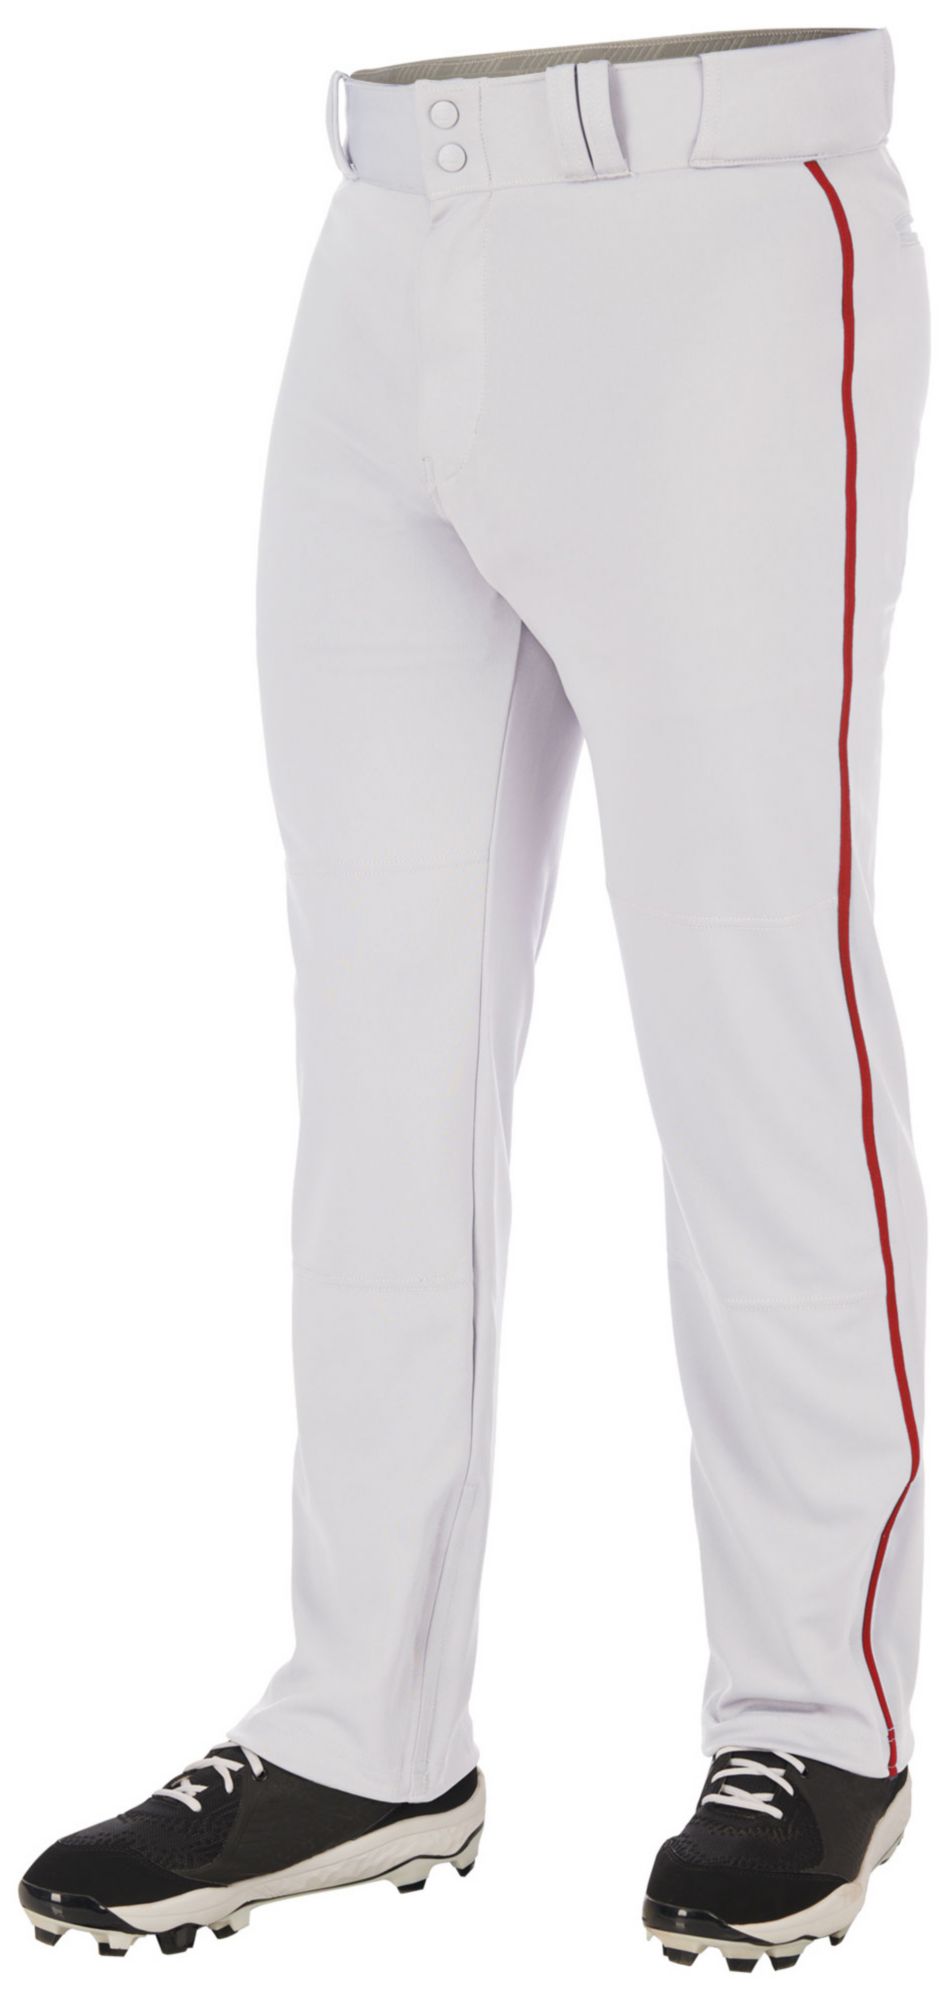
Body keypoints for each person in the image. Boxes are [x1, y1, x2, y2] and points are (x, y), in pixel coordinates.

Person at [19, 27, 928, 1972]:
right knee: (379, 1046)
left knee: (748, 1001)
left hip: (709, 233)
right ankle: (364, 1731)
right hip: (380, 233)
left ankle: (813, 1717)